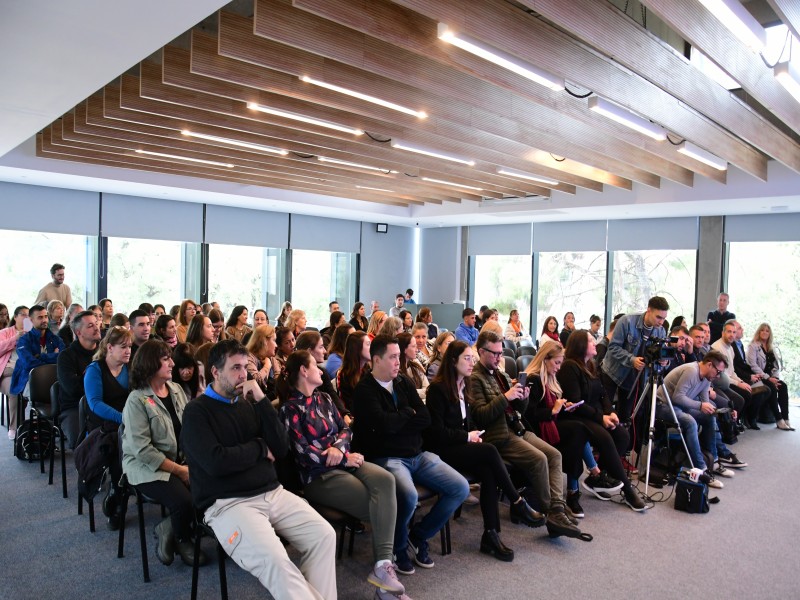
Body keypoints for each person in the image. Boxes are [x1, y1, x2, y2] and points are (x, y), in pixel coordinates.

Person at [181, 340, 336, 599]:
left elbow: (281, 447)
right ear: (215, 372)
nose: (243, 374)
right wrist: (259, 449)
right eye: (235, 368)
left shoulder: (248, 403)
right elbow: (216, 462)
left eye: (245, 367)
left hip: (272, 492)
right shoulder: (196, 412)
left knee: (324, 536)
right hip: (228, 503)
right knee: (277, 560)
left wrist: (263, 401)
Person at [279, 350, 406, 599]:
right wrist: (339, 456)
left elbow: (346, 429)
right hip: (318, 477)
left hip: (345, 462)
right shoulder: (289, 409)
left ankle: (382, 568)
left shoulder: (324, 398)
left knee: (386, 480)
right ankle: (386, 585)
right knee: (379, 507)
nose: (321, 369)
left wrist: (339, 449)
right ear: (303, 371)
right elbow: (303, 453)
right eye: (315, 365)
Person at [352, 335, 470, 575]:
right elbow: (383, 426)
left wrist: (399, 420)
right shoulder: (365, 390)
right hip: (387, 458)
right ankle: (398, 546)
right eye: (393, 357)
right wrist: (407, 413)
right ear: (376, 360)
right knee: (408, 496)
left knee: (460, 487)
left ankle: (418, 535)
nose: (399, 361)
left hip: (417, 454)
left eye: (399, 356)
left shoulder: (403, 382)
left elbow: (424, 418)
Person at [424, 341, 544, 562]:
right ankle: (517, 502)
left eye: (472, 358)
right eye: (467, 359)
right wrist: (466, 437)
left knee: (489, 472)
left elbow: (466, 424)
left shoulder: (464, 386)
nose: (472, 363)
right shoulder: (437, 390)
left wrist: (473, 435)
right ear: (453, 362)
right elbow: (435, 433)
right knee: (489, 451)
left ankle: (491, 535)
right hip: (441, 451)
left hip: (460, 447)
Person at [468, 330, 583, 539]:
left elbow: (518, 409)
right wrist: (506, 396)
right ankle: (553, 513)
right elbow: (480, 416)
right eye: (494, 353)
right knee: (539, 459)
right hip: (498, 435)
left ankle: (557, 508)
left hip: (516, 427)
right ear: (481, 351)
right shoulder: (475, 378)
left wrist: (522, 397)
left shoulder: (500, 374)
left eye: (500, 353)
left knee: (555, 455)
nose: (498, 357)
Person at [121, 339, 205, 567]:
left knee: (212, 485)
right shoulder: (136, 400)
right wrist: (180, 471)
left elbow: (189, 428)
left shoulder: (176, 389)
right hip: (146, 467)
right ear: (150, 364)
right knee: (183, 501)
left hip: (178, 460)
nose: (172, 363)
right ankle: (182, 538)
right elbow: (143, 451)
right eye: (166, 359)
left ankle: (167, 526)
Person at [557, 331, 646, 512]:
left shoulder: (590, 365)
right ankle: (628, 490)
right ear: (581, 345)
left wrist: (610, 412)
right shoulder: (569, 367)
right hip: (577, 416)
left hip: (595, 415)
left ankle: (599, 476)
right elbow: (576, 402)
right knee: (605, 437)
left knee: (622, 435)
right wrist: (601, 418)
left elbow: (603, 393)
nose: (594, 343)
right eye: (590, 340)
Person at [523, 341, 608, 516]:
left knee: (577, 434)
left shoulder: (551, 379)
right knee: (578, 432)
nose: (559, 367)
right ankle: (586, 479)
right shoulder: (534, 379)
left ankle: (577, 487)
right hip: (537, 430)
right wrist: (553, 410)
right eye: (557, 362)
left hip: (550, 425)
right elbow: (528, 415)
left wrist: (563, 407)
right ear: (545, 359)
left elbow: (553, 410)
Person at [655, 351, 730, 489]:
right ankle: (701, 468)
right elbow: (678, 397)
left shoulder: (707, 377)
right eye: (718, 371)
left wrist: (710, 409)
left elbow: (703, 399)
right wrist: (701, 406)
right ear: (709, 365)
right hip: (664, 405)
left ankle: (713, 462)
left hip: (680, 405)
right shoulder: (691, 371)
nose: (718, 375)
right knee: (690, 422)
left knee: (709, 417)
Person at [84, 325, 132, 528]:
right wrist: (122, 418)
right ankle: (118, 496)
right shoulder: (95, 370)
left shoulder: (130, 368)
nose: (128, 350)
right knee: (117, 446)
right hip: (102, 424)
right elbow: (95, 403)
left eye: (129, 346)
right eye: (123, 346)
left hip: (126, 421)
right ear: (110, 348)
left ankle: (123, 488)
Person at [600, 295, 669, 428]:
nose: (661, 322)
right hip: (612, 373)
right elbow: (613, 347)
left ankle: (623, 445)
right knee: (607, 412)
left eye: (664, 318)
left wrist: (664, 362)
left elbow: (661, 354)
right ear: (649, 310)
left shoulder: (661, 332)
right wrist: (631, 360)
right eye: (658, 317)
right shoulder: (626, 321)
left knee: (626, 416)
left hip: (635, 378)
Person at [11, 304, 65, 422]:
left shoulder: (56, 339)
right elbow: (28, 363)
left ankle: (55, 426)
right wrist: (52, 357)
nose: (45, 320)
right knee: (35, 393)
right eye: (40, 317)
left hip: (53, 378)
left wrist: (40, 356)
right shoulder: (24, 340)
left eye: (45, 316)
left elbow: (63, 358)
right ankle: (33, 428)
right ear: (31, 320)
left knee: (65, 391)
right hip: (29, 378)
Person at [57, 310, 102, 448]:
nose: (96, 328)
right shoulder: (66, 356)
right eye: (90, 326)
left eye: (96, 323)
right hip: (74, 407)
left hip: (101, 402)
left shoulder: (105, 353)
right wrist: (96, 381)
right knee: (83, 442)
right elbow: (72, 389)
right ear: (79, 333)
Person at [711, 321, 762, 429]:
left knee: (757, 389)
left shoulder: (730, 348)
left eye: (734, 332)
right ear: (722, 333)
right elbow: (722, 374)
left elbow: (732, 371)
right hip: (721, 383)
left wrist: (741, 382)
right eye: (729, 331)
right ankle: (733, 423)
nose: (731, 335)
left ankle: (740, 420)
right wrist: (738, 384)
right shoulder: (717, 348)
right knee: (743, 397)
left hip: (731, 379)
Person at [295, 331, 351, 424]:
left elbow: (333, 396)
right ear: (309, 352)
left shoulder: (323, 373)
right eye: (321, 347)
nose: (325, 351)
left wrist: (345, 414)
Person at [747, 323, 792, 430]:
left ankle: (786, 418)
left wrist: (775, 378)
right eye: (762, 330)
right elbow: (753, 365)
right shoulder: (753, 346)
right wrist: (768, 378)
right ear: (759, 332)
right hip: (759, 378)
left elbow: (776, 366)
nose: (765, 332)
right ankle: (778, 419)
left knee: (783, 386)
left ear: (770, 333)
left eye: (767, 331)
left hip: (771, 378)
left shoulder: (771, 347)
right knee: (771, 387)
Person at [0, 306, 28, 439]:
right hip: (8, 371)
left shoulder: (31, 332)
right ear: (15, 317)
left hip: (26, 370)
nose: (26, 317)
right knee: (14, 389)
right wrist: (15, 339)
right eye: (23, 314)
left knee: (33, 385)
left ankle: (37, 425)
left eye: (29, 315)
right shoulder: (5, 332)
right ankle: (14, 427)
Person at [337, 331, 371, 410]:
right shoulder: (344, 375)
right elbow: (348, 406)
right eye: (368, 344)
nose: (371, 348)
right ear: (357, 348)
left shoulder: (368, 370)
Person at [246, 324, 279, 400]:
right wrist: (267, 366)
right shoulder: (249, 357)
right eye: (274, 340)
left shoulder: (271, 358)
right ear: (265, 341)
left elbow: (279, 378)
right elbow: (254, 382)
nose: (276, 345)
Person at [398, 332, 429, 400]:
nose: (417, 350)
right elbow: (402, 394)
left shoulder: (416, 366)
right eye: (413, 346)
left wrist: (412, 392)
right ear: (404, 349)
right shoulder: (395, 371)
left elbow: (427, 390)